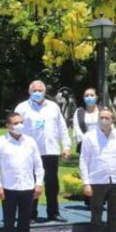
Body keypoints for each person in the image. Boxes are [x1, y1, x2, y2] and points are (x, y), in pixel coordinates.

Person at [0, 112, 45, 232]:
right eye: (15, 123)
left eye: (21, 122)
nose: (19, 125)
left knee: (25, 223)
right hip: (9, 188)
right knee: (9, 223)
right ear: (8, 126)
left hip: (27, 187)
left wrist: (39, 183)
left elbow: (38, 165)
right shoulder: (0, 142)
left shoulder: (30, 141)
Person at [15, 80, 71, 222]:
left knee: (52, 184)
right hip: (30, 152)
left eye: (40, 90)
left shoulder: (53, 107)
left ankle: (53, 213)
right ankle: (30, 214)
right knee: (31, 183)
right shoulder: (22, 107)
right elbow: (14, 128)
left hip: (51, 151)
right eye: (34, 90)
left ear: (45, 92)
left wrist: (66, 146)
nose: (37, 93)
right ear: (29, 92)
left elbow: (62, 127)